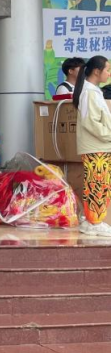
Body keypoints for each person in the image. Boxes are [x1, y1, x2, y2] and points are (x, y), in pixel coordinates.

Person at [74, 56, 111, 237]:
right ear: (97, 71)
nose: (109, 74)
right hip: (96, 146)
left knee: (99, 184)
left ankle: (92, 221)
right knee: (97, 184)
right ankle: (94, 222)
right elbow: (91, 122)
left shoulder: (93, 91)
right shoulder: (89, 92)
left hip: (99, 145)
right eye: (107, 70)